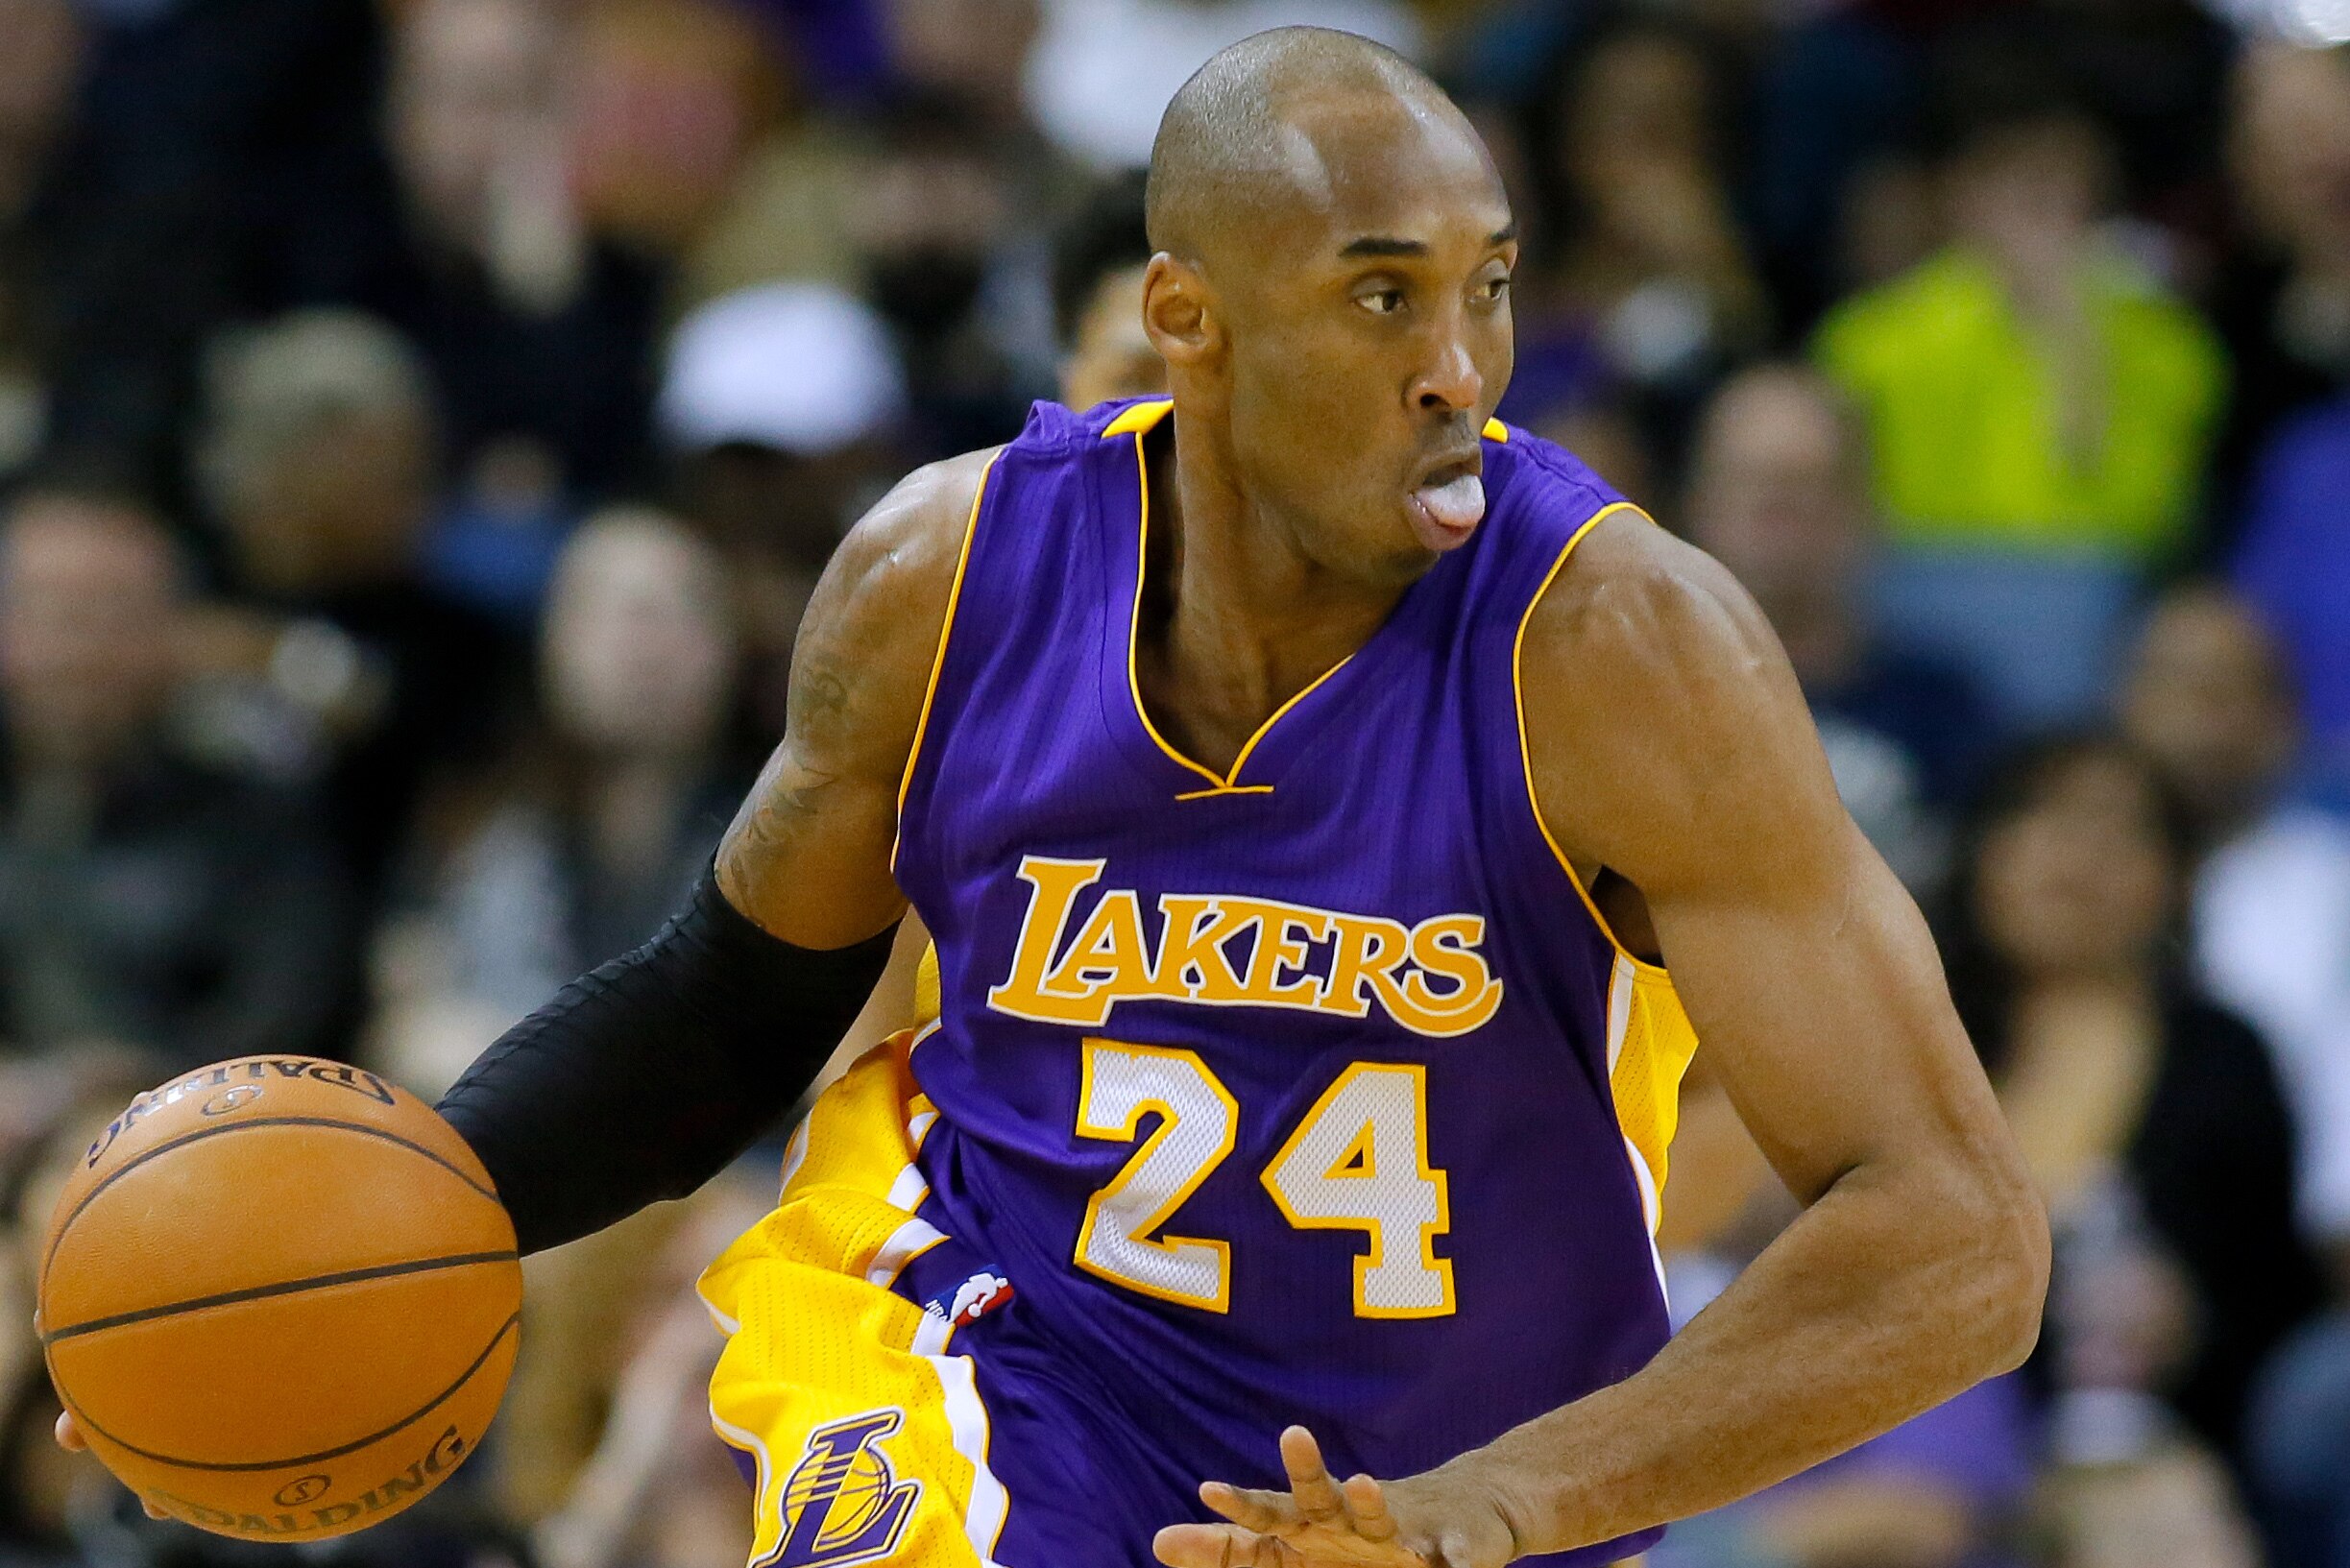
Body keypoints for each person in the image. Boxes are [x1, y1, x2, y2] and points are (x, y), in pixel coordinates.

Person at [64, 28, 2046, 1568]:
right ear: (1183, 321)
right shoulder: (947, 579)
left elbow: (1956, 1230)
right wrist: (318, 1255)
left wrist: (1497, 1501)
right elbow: (723, 1002)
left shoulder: (1619, 649)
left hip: (1455, 1483)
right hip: (1009, 1371)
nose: (1459, 366)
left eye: (1489, 287)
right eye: (1381, 296)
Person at [1937, 734, 2324, 1484]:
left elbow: (2279, 1289)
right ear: (1979, 849)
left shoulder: (2223, 1056)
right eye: (2041, 813)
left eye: (2121, 826)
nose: (2078, 853)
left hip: (2157, 1444)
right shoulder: (1898, 1038)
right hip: (1908, 1439)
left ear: (2178, 878)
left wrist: (2193, 1318)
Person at [0, 485, 355, 1078]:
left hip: (189, 1120)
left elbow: (283, 1035)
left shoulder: (258, 814)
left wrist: (107, 1090)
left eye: (112, 621)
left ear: (175, 634)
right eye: (50, 618)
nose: (76, 656)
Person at [1683, 364, 1996, 890]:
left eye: (1807, 486)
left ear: (1864, 510)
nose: (1777, 513)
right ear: (1696, 506)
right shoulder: (1627, 696)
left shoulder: (1943, 707)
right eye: (1750, 483)